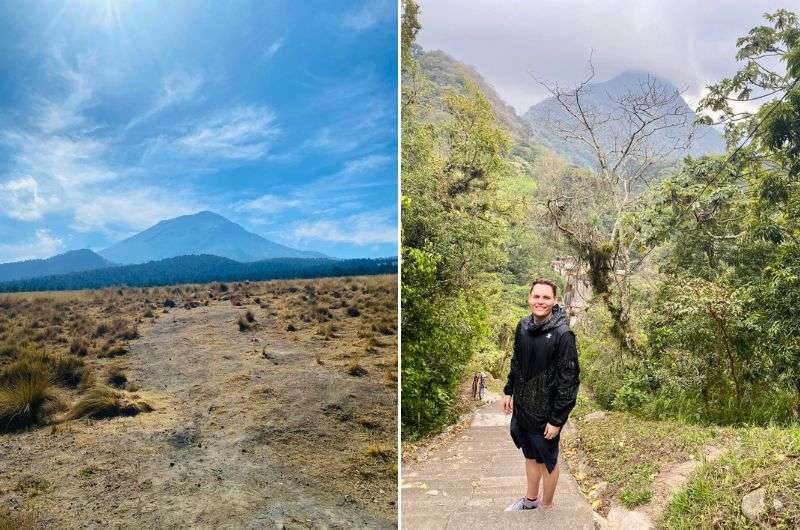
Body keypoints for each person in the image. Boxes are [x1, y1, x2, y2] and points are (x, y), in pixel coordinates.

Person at [502, 278, 580, 511]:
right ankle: (530, 501)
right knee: (529, 455)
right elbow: (516, 362)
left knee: (547, 460)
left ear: (554, 301)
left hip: (546, 413)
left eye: (546, 297)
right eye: (536, 296)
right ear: (529, 298)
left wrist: (557, 419)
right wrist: (508, 390)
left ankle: (547, 507)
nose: (540, 301)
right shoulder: (523, 326)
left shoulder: (563, 334)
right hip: (523, 407)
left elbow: (570, 380)